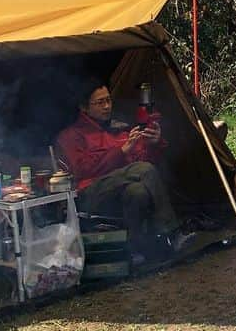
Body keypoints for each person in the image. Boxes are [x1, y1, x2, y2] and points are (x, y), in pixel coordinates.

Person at [56, 80, 181, 262]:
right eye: (100, 103)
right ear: (84, 107)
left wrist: (154, 145)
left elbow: (144, 164)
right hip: (89, 194)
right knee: (143, 170)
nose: (107, 106)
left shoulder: (119, 130)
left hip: (120, 190)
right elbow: (81, 169)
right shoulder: (71, 136)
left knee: (137, 191)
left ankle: (134, 249)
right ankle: (172, 232)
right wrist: (120, 152)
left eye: (108, 100)